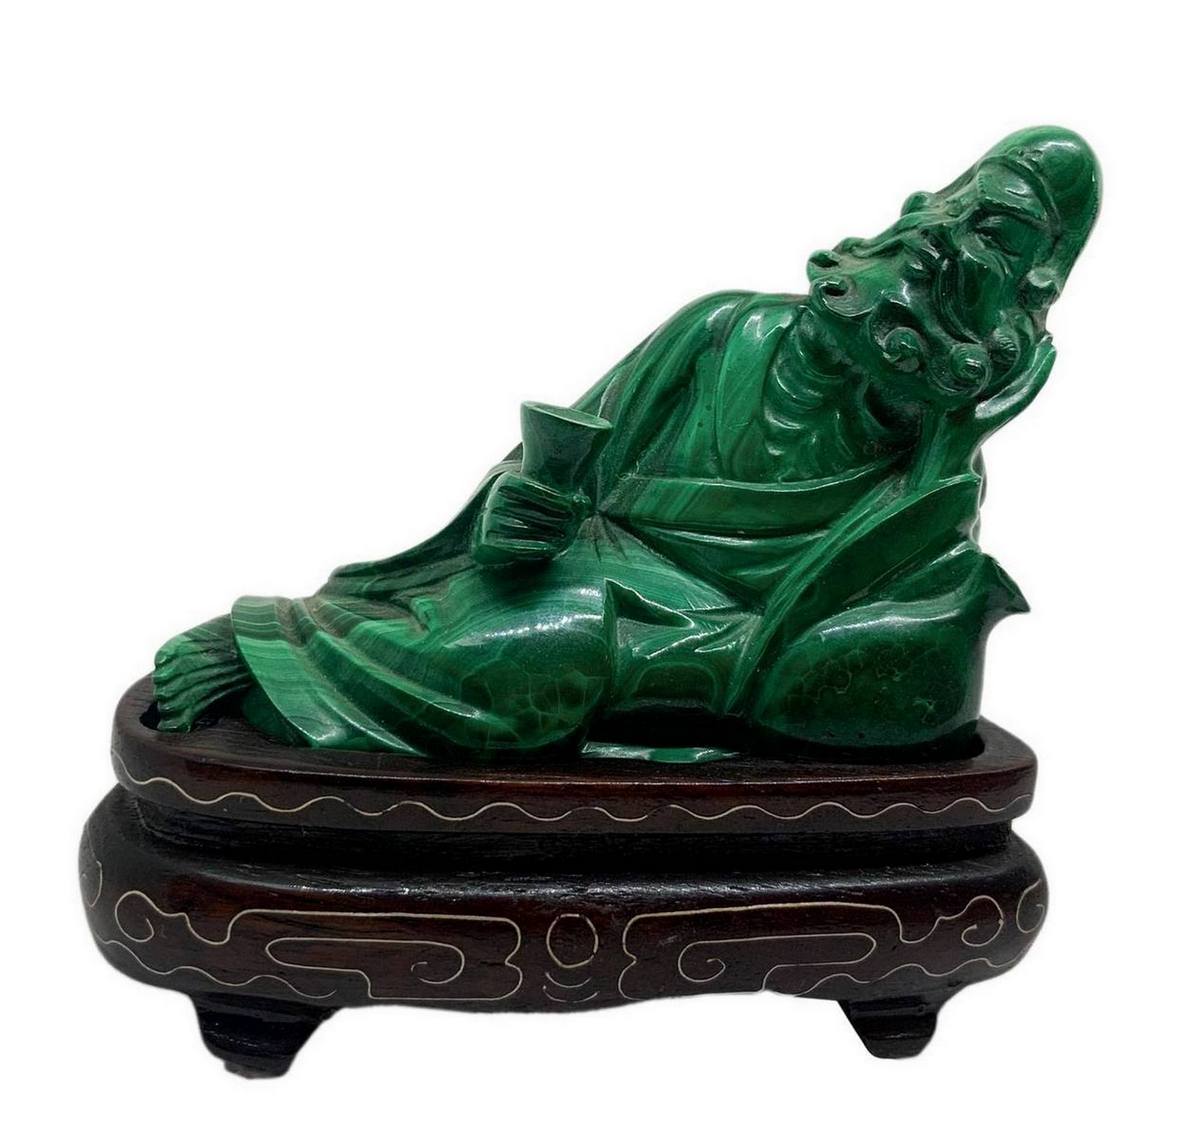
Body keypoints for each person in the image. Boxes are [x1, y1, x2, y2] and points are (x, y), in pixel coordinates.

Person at [154, 126, 1099, 761]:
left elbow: (905, 651)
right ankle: (277, 639)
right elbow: (554, 477)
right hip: (591, 575)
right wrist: (517, 511)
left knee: (549, 657)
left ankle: (325, 659)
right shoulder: (723, 330)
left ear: (1001, 325)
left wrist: (956, 437)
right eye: (959, 206)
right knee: (526, 631)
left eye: (997, 238)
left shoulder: (929, 473)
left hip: (698, 638)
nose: (947, 240)